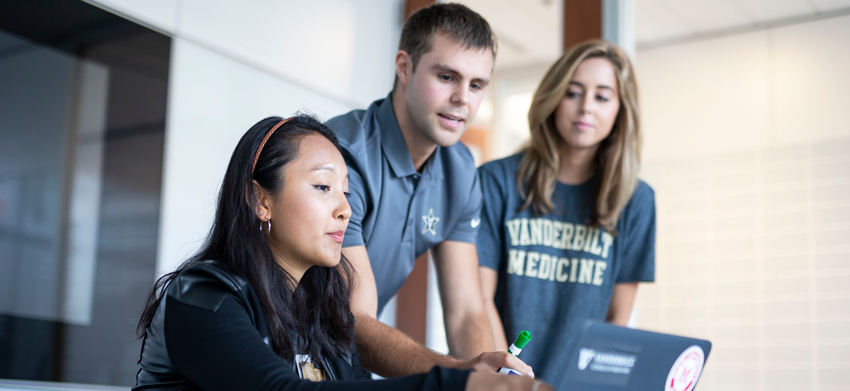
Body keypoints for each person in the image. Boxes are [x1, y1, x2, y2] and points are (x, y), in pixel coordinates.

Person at [132, 115, 548, 391]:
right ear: (260, 200)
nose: (345, 208)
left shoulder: (326, 315)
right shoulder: (203, 295)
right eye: (322, 187)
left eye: (346, 192)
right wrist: (456, 383)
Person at [326, 3, 532, 378]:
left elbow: (467, 309)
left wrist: (489, 380)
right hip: (271, 354)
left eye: (476, 85)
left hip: (339, 361)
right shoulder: (341, 155)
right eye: (447, 76)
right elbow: (354, 321)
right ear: (404, 67)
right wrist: (462, 374)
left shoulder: (461, 170)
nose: (463, 99)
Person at [477, 40, 656, 389]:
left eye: (602, 97)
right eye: (573, 93)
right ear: (553, 97)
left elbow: (618, 317)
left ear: (621, 110)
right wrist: (510, 382)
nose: (586, 107)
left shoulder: (636, 199)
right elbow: (480, 301)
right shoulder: (496, 181)